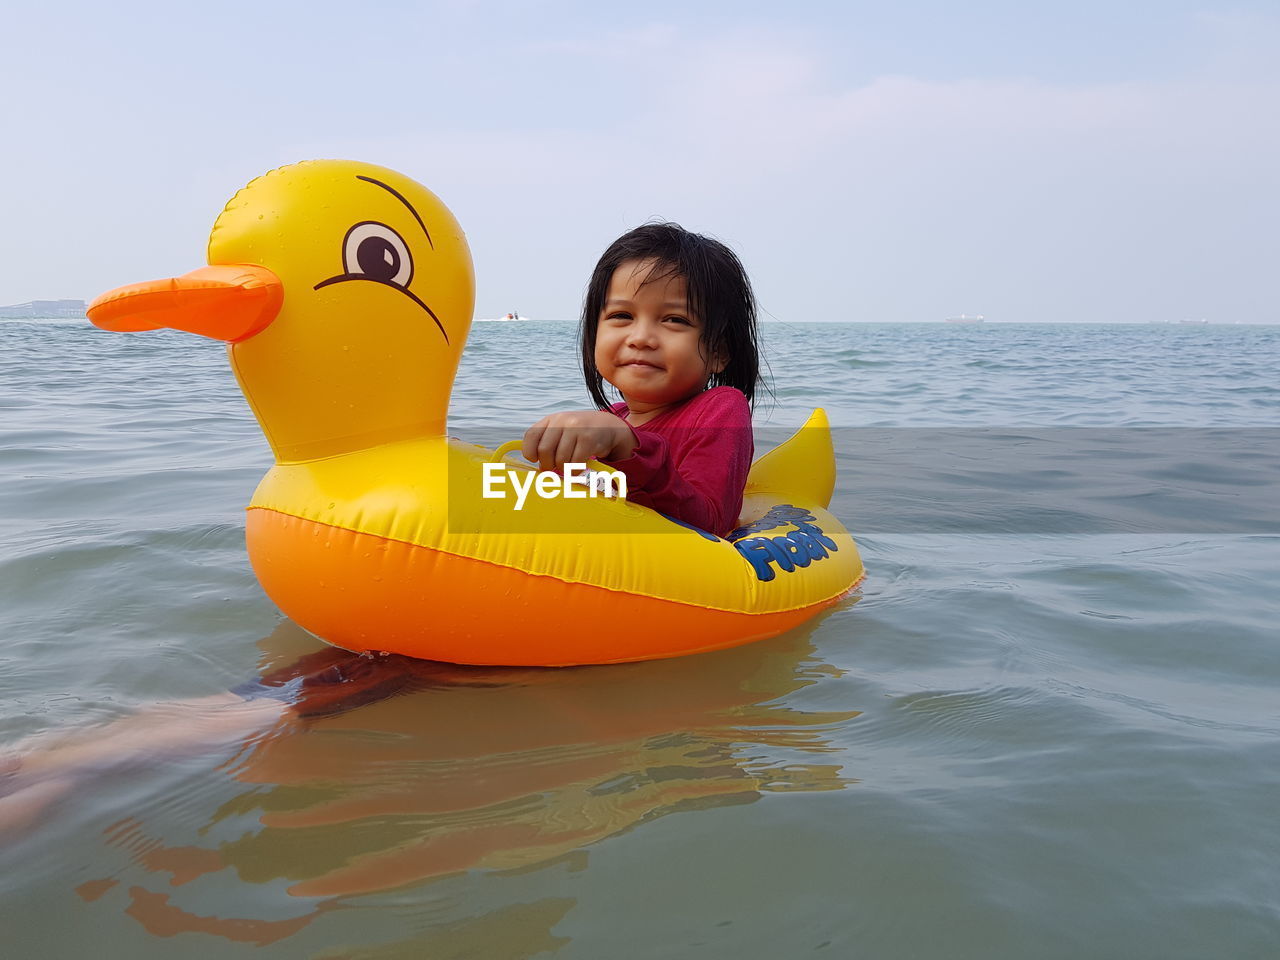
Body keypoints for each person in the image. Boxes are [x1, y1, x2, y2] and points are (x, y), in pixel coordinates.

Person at [521, 223, 762, 538]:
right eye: (622, 316)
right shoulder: (607, 422)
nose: (641, 338)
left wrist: (627, 448)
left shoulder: (720, 409)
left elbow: (710, 524)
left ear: (718, 351)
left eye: (675, 319)